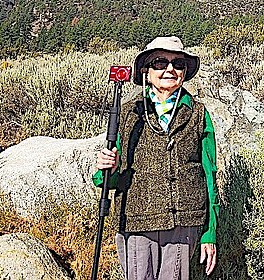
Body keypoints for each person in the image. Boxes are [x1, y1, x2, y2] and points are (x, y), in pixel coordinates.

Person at [94, 36, 219, 279]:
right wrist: (107, 168)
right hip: (137, 219)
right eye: (160, 63)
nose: (170, 69)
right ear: (146, 72)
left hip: (184, 220)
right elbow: (108, 177)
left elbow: (209, 173)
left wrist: (209, 232)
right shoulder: (129, 112)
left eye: (178, 64)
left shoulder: (199, 114)